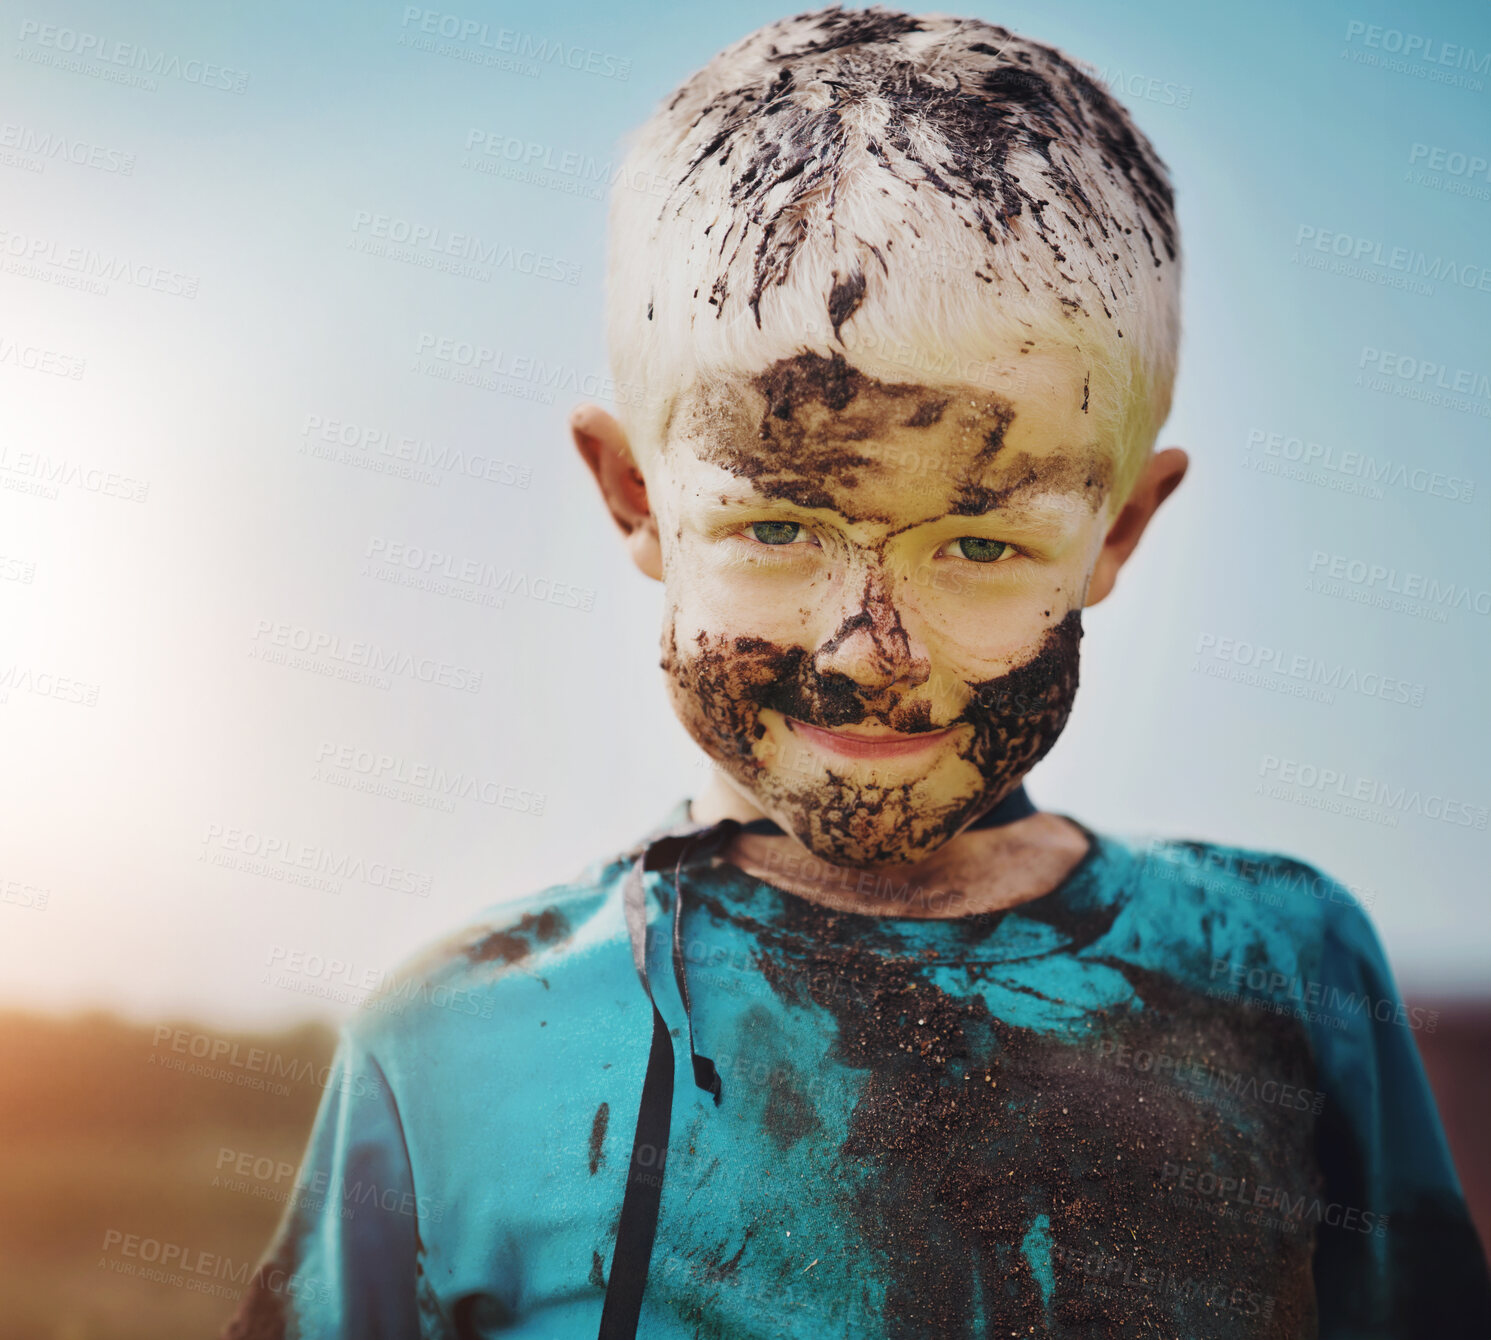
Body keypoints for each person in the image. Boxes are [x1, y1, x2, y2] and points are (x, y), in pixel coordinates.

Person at [224, 6, 1491, 1336]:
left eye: (983, 543)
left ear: (1117, 531)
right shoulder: (456, 1050)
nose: (870, 658)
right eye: (776, 528)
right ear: (636, 500)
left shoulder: (1280, 970)